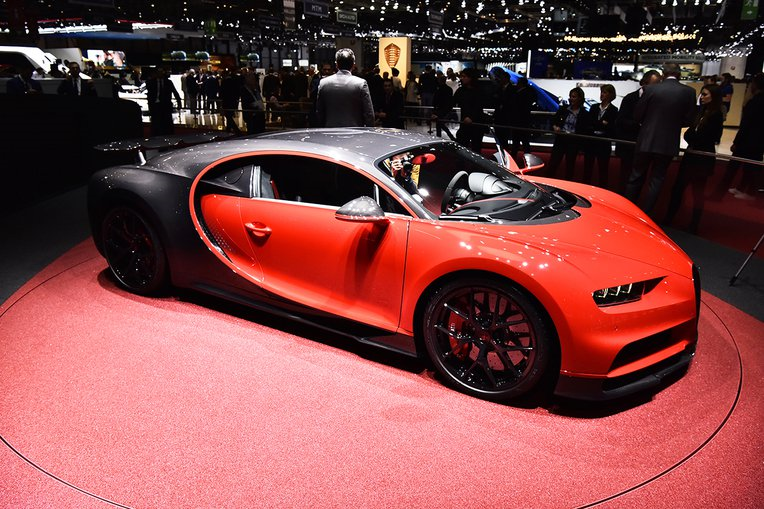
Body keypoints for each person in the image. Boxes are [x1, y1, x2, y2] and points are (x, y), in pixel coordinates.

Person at [624, 63, 697, 214]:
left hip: (646, 140)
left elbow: (637, 115)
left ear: (663, 74)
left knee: (635, 177)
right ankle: (647, 214)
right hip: (668, 143)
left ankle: (628, 212)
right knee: (657, 180)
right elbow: (690, 120)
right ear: (679, 74)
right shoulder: (689, 92)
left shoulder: (651, 89)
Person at [663, 84, 724, 233]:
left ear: (713, 97)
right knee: (678, 189)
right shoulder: (701, 112)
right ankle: (669, 220)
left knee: (697, 193)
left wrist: (694, 137)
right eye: (701, 94)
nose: (702, 97)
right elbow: (690, 134)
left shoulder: (716, 115)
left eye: (705, 94)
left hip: (702, 159)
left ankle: (693, 225)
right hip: (692, 156)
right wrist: (694, 136)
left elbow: (709, 137)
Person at [711, 72, 764, 201]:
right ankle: (744, 189)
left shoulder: (754, 102)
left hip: (748, 141)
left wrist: (737, 141)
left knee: (734, 168)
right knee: (750, 167)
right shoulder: (758, 100)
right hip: (758, 141)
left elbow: (746, 124)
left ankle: (718, 195)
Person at [614, 70, 661, 194]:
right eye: (654, 85)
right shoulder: (630, 98)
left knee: (640, 179)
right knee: (625, 178)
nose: (657, 89)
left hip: (646, 147)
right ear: (643, 83)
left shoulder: (657, 100)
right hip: (629, 146)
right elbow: (621, 121)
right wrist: (639, 125)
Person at [316, 48, 375, 128]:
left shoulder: (323, 83)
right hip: (355, 132)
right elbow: (369, 114)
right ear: (353, 65)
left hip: (330, 131)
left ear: (336, 64)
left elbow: (319, 112)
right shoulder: (361, 83)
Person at [546, 87, 593, 181]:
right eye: (570, 96)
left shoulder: (584, 114)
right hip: (560, 140)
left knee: (570, 166)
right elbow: (553, 121)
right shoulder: (563, 109)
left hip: (573, 142)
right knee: (553, 163)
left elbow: (585, 129)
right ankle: (547, 182)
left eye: (574, 97)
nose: (571, 99)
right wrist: (555, 127)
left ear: (580, 98)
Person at [583, 84, 619, 189]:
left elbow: (611, 128)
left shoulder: (614, 110)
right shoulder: (594, 107)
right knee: (587, 169)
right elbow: (589, 124)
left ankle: (603, 190)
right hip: (591, 141)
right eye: (602, 92)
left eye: (605, 92)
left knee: (603, 170)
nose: (602, 94)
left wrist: (599, 124)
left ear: (611, 95)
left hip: (604, 143)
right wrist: (602, 123)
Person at [452, 68, 488, 153]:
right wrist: (439, 113)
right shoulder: (461, 90)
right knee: (462, 149)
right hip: (465, 124)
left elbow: (479, 105)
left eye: (464, 76)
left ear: (471, 77)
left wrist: (471, 117)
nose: (462, 78)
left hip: (477, 124)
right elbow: (451, 103)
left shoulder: (479, 91)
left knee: (476, 148)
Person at [146, 67, 182, 136]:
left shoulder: (168, 82)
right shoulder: (151, 82)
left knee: (167, 123)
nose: (160, 74)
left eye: (161, 72)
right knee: (156, 123)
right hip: (156, 106)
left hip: (166, 105)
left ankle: (169, 135)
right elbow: (149, 95)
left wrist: (179, 102)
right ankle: (155, 135)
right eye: (158, 72)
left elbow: (175, 92)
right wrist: (150, 106)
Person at [509, 76, 536, 159]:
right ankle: (526, 158)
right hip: (522, 121)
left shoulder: (523, 94)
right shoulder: (528, 93)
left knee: (520, 142)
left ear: (521, 83)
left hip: (521, 121)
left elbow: (520, 108)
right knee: (522, 142)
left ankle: (518, 157)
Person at [431, 73, 455, 138]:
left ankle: (440, 136)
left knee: (439, 124)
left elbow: (435, 100)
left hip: (439, 108)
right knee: (440, 123)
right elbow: (450, 99)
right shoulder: (449, 89)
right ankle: (450, 136)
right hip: (446, 109)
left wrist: (434, 109)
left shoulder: (438, 89)